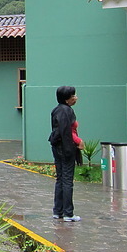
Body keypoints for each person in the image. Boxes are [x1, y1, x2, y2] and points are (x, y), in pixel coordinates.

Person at [48, 86, 83, 222]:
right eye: (73, 96)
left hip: (57, 147)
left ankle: (58, 211)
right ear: (67, 99)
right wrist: (77, 143)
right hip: (66, 148)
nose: (75, 98)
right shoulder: (67, 111)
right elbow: (67, 131)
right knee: (67, 180)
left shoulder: (56, 110)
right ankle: (68, 213)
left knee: (60, 179)